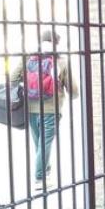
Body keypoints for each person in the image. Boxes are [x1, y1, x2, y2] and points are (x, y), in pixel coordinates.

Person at [11, 29, 78, 191]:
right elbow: (73, 90)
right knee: (45, 143)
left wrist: (26, 85)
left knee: (39, 143)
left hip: (31, 108)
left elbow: (13, 79)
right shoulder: (60, 61)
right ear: (56, 44)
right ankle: (40, 178)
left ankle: (46, 172)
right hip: (51, 109)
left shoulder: (28, 58)